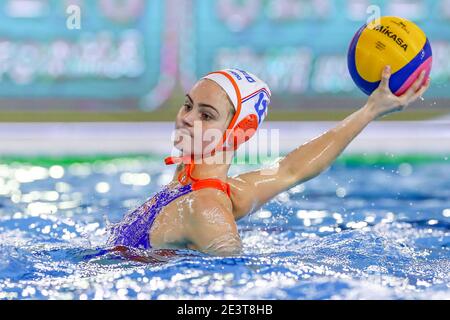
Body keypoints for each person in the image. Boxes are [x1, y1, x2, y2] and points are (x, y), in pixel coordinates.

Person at [107, 66, 430, 256]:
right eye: (187, 105)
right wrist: (370, 110)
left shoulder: (205, 209)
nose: (187, 119)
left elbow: (235, 284)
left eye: (206, 115)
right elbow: (292, 169)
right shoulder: (210, 186)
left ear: (240, 130)